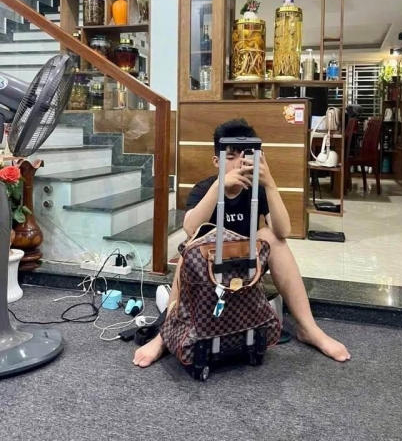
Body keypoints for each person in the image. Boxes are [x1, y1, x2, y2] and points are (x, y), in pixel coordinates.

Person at [133, 119, 351, 368]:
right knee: (190, 245)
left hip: (245, 266)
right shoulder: (205, 188)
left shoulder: (256, 189)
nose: (238, 163)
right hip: (209, 270)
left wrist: (269, 183)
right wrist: (219, 186)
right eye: (230, 156)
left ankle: (308, 328)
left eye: (245, 156)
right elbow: (191, 228)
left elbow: (284, 231)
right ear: (217, 161)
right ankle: (164, 335)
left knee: (272, 237)